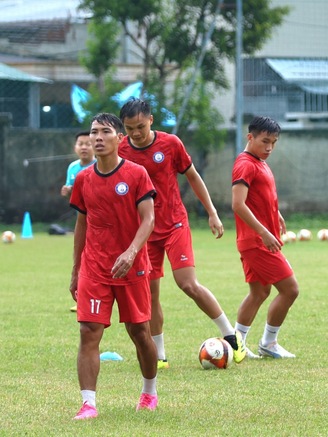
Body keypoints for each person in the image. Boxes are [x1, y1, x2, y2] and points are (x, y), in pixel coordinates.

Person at [118, 98, 246, 369]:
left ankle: (231, 336)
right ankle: (160, 355)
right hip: (145, 231)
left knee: (187, 283)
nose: (136, 133)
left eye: (140, 126)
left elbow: (193, 176)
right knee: (150, 294)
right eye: (130, 129)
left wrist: (211, 211)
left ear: (151, 120)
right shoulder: (121, 151)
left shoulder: (171, 144)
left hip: (174, 223)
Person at [69, 113, 158, 419]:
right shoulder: (83, 179)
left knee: (140, 332)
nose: (97, 137)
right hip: (95, 266)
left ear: (120, 138)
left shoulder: (136, 174)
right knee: (88, 331)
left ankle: (149, 392)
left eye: (105, 132)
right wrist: (76, 270)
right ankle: (88, 403)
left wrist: (132, 252)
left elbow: (149, 219)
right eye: (93, 132)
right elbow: (82, 225)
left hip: (131, 267)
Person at [231, 116, 299, 359]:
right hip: (257, 242)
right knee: (290, 290)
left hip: (256, 240)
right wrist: (263, 231)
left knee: (259, 293)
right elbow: (238, 204)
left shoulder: (259, 162)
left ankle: (236, 344)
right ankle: (269, 343)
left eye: (274, 142)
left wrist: (276, 213)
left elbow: (259, 195)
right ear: (250, 137)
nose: (269, 147)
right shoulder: (245, 164)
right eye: (265, 141)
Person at [61, 131, 96, 312]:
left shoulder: (100, 165)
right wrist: (67, 190)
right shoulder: (73, 167)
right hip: (83, 221)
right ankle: (83, 299)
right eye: (80, 144)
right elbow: (72, 191)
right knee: (83, 258)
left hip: (101, 221)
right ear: (75, 147)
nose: (84, 147)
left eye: (87, 143)